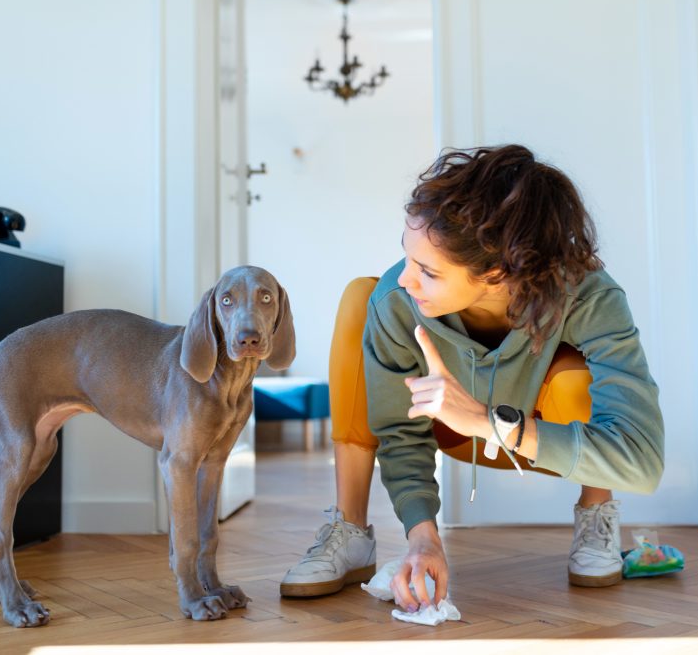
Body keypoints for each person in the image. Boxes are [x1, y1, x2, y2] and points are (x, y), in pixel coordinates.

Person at [280, 144, 664, 612]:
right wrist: (423, 537)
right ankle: (351, 528)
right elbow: (400, 435)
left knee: (574, 374)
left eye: (427, 271)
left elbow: (642, 463)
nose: (406, 280)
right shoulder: (396, 301)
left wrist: (489, 421)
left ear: (497, 272)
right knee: (363, 299)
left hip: (546, 439)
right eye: (408, 258)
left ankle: (596, 512)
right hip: (449, 432)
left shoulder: (589, 294)